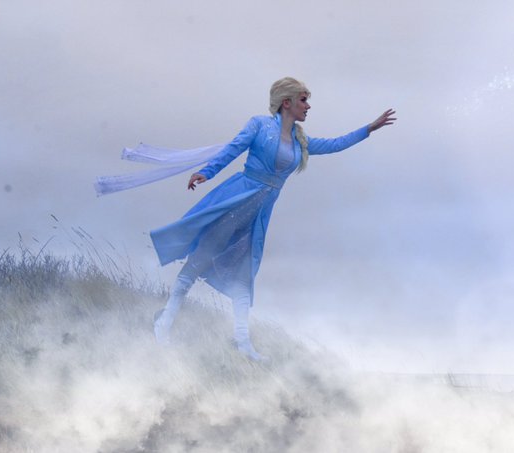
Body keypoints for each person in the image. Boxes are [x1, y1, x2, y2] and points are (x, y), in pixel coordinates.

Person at [151, 77, 396, 360]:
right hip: (236, 200)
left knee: (244, 273)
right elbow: (233, 149)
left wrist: (369, 128)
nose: (308, 106)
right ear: (286, 102)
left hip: (257, 214)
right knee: (200, 259)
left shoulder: (300, 141)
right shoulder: (259, 125)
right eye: (303, 100)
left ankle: (242, 342)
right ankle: (164, 322)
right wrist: (207, 172)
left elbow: (335, 144)